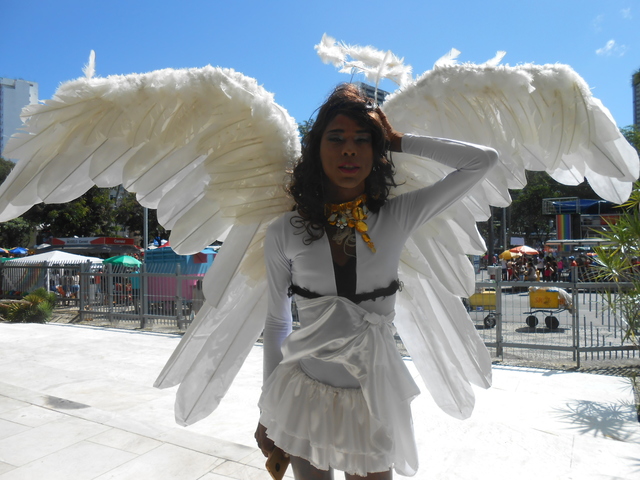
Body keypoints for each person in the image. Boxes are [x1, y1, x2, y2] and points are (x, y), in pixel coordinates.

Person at [253, 84, 498, 479]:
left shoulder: (398, 216)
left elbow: (482, 161)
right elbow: (277, 320)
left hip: (373, 401)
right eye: (336, 139)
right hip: (300, 395)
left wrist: (397, 139)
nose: (349, 150)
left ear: (376, 151)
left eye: (362, 140)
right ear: (317, 150)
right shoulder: (285, 230)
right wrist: (267, 408)